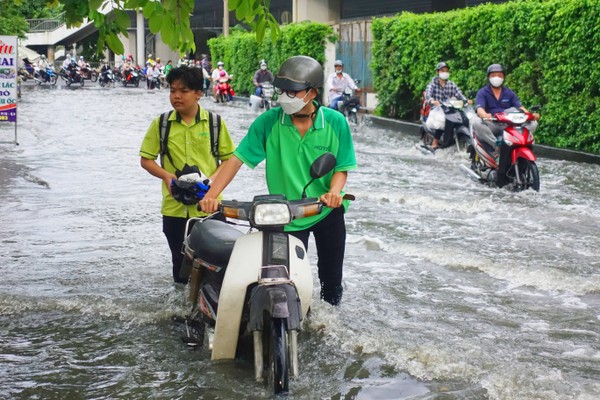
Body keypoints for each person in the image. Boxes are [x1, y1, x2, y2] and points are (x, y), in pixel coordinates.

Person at [199, 55, 357, 306]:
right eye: (283, 90)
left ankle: (329, 325)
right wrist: (212, 194)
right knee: (285, 281)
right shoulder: (269, 121)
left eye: (293, 92)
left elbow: (342, 166)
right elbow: (237, 159)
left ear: (312, 92)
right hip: (286, 216)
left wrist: (334, 192)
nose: (285, 97)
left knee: (331, 282)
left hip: (326, 209)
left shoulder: (336, 122)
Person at [139, 66, 236, 283]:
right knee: (181, 265)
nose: (176, 96)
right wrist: (166, 176)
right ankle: (183, 311)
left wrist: (211, 183)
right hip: (174, 210)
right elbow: (146, 160)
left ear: (198, 93)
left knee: (216, 267)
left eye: (183, 91)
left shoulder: (214, 123)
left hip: (210, 207)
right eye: (172, 91)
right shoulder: (162, 124)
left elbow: (228, 160)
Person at [473, 63, 540, 157]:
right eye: (493, 75)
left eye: (499, 75)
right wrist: (484, 115)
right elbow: (479, 108)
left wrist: (531, 115)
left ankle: (522, 143)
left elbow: (520, 107)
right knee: (476, 122)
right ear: (488, 77)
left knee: (533, 123)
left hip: (509, 124)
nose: (497, 77)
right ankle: (496, 145)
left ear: (503, 77)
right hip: (493, 124)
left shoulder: (509, 93)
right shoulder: (483, 92)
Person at [424, 62, 471, 149]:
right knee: (442, 120)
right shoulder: (432, 84)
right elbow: (427, 96)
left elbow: (459, 94)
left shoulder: (451, 84)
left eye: (446, 71)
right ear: (437, 72)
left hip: (450, 109)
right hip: (437, 109)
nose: (445, 72)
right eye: (442, 70)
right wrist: (433, 101)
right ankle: (435, 141)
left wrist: (466, 101)